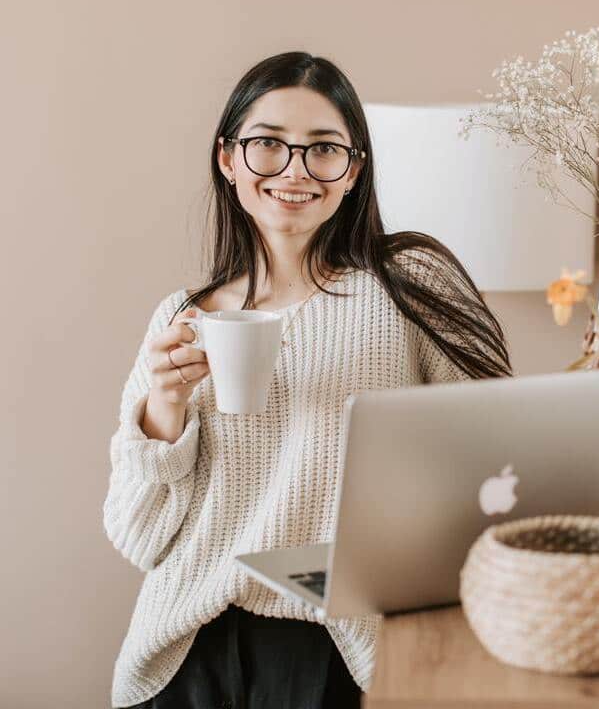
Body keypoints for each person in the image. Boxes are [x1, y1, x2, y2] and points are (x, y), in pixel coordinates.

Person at [102, 51, 512, 708]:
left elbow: (502, 456)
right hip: (186, 649)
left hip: (339, 647)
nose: (294, 171)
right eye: (267, 144)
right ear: (228, 159)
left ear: (353, 171)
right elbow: (140, 539)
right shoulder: (182, 317)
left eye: (323, 149)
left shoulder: (409, 283)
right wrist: (165, 409)